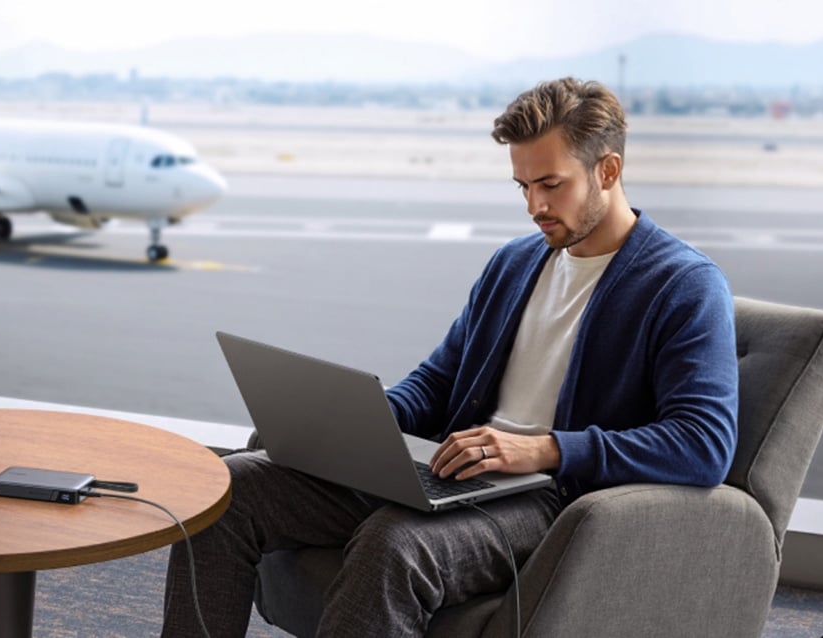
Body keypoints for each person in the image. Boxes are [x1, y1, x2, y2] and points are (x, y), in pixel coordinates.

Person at [161, 77, 738, 637]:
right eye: (522, 186)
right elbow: (438, 382)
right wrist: (359, 423)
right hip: (453, 469)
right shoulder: (514, 264)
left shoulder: (683, 285)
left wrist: (542, 449)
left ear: (607, 171)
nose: (534, 205)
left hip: (549, 496)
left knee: (394, 544)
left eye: (551, 184)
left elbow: (703, 443)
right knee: (229, 489)